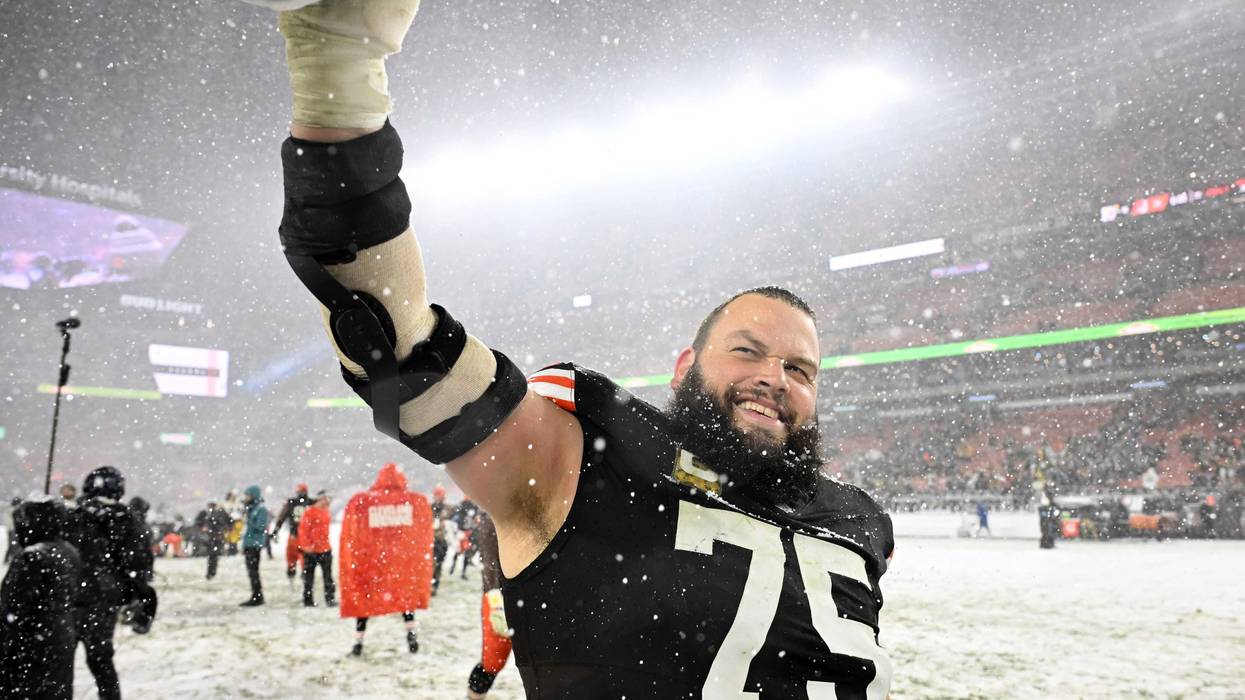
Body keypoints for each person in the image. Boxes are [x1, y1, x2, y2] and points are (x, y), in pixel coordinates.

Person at [261, 1, 893, 695]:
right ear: (685, 368)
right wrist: (338, 67)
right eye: (746, 350)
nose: (774, 376)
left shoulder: (856, 518)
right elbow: (406, 352)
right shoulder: (590, 457)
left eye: (799, 368)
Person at [64, 466, 157, 700]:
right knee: (101, 659)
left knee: (60, 662)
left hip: (69, 596)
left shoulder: (73, 516)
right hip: (103, 599)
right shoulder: (126, 520)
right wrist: (140, 597)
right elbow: (138, 563)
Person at [338, 463, 432, 657]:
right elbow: (422, 534)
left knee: (364, 603)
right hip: (400, 567)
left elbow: (353, 534)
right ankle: (411, 635)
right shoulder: (415, 502)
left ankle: (358, 642)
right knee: (406, 601)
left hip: (372, 567)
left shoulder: (363, 501)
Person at [0, 496, 82, 699]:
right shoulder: (69, 552)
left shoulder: (32, 557)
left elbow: (12, 607)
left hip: (29, 642)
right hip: (61, 635)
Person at [465, 513, 513, 700]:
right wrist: (494, 593)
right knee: (492, 661)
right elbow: (490, 559)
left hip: (525, 590)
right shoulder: (491, 513)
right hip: (500, 595)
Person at [297, 490, 336, 607]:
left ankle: (330, 599)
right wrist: (306, 545)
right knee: (309, 577)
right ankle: (308, 600)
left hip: (325, 549)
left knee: (328, 576)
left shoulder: (326, 511)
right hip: (311, 551)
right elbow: (303, 530)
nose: (328, 501)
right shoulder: (309, 512)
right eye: (326, 499)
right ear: (320, 499)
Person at [271, 482, 314, 580]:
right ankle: (301, 574)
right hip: (303, 536)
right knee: (301, 558)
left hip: (297, 535)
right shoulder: (310, 503)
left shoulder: (292, 503)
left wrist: (276, 530)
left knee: (294, 558)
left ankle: (295, 573)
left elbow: (282, 517)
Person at [239, 485, 269, 606]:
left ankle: (257, 596)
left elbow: (260, 527)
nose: (245, 498)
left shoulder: (260, 509)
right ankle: (256, 595)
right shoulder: (250, 508)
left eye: (247, 495)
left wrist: (248, 519)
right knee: (251, 572)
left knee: (254, 571)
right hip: (249, 543)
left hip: (254, 544)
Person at [203, 501, 232, 579]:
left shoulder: (217, 513)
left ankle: (211, 573)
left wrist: (223, 530)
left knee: (213, 555)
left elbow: (226, 523)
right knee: (213, 556)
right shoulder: (211, 514)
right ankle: (211, 573)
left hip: (216, 537)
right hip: (213, 537)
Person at [430, 485, 449, 594]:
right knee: (434, 563)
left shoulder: (447, 509)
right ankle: (433, 585)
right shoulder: (431, 508)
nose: (439, 498)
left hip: (442, 540)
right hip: (433, 539)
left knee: (439, 563)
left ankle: (435, 584)